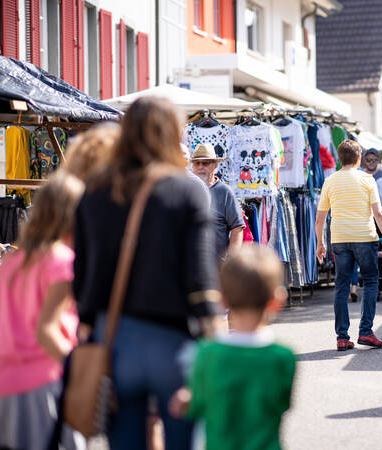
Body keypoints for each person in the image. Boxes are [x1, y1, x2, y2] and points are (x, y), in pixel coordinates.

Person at [74, 97, 217, 449]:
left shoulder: (94, 191)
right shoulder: (186, 191)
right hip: (171, 341)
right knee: (184, 439)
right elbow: (200, 279)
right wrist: (215, 340)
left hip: (113, 339)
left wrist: (89, 330)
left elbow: (84, 277)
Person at [0, 173, 86, 450]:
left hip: (5, 386)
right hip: (46, 385)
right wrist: (82, 370)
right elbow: (47, 330)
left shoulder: (11, 262)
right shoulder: (63, 261)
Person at [169, 245, 295, 450]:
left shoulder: (206, 354)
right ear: (277, 301)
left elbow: (199, 406)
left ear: (221, 299)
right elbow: (281, 404)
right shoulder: (283, 356)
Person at [315, 140, 382, 351]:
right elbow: (378, 213)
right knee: (370, 282)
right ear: (359, 158)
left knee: (341, 286)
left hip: (339, 239)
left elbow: (320, 217)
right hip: (364, 238)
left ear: (340, 159)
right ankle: (366, 332)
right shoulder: (367, 179)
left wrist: (320, 243)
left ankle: (342, 336)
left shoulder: (330, 181)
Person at [190, 143, 245, 262]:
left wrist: (230, 261)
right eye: (196, 163)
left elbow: (237, 228)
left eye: (205, 163)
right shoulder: (188, 190)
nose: (200, 167)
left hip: (216, 268)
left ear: (215, 166)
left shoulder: (224, 192)